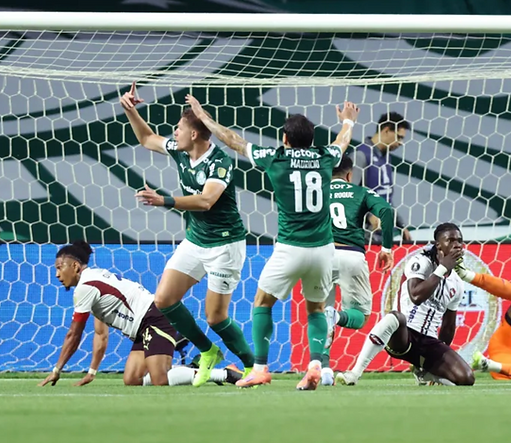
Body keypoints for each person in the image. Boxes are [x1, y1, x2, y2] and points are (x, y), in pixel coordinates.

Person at [186, 94, 357, 390]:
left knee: (262, 302)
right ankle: (316, 364)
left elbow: (233, 141)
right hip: (323, 249)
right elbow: (342, 142)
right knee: (316, 309)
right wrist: (348, 121)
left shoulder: (275, 157)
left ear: (285, 138)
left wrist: (204, 118)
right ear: (311, 139)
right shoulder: (326, 156)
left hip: (290, 247)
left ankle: (261, 368)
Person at [119, 82, 253, 387]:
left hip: (225, 244)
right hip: (196, 240)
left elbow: (206, 201)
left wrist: (163, 200)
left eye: (178, 127)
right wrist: (130, 111)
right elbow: (146, 138)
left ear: (194, 134)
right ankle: (208, 351)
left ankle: (251, 366)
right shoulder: (180, 151)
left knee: (215, 318)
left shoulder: (220, 162)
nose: (173, 132)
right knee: (164, 299)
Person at [335, 223, 473, 387]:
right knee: (395, 317)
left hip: (428, 342)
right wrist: (442, 268)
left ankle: (424, 371)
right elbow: (416, 295)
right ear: (438, 245)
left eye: (459, 240)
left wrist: (437, 363)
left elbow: (448, 327)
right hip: (402, 336)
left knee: (466, 378)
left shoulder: (457, 283)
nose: (456, 244)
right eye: (450, 240)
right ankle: (354, 374)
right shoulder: (420, 261)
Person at [38, 242, 193, 387]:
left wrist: (57, 370)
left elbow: (74, 334)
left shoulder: (86, 287)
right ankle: (178, 369)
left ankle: (214, 374)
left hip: (154, 317)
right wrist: (91, 373)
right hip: (143, 326)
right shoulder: (94, 281)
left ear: (75, 266)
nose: (57, 274)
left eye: (59, 267)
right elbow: (101, 334)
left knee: (160, 378)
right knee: (132, 378)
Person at [319, 154, 395, 385]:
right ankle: (337, 316)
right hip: (350, 254)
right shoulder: (360, 192)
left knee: (321, 314)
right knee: (360, 317)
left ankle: (323, 370)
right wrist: (387, 248)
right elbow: (387, 212)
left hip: (320, 256)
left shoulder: (316, 192)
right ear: (350, 175)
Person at [352, 112, 412, 246]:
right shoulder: (360, 155)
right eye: (399, 137)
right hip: (365, 236)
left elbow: (385, 198)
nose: (401, 143)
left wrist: (401, 224)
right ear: (386, 130)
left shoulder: (386, 158)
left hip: (384, 233)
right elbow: (349, 195)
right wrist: (369, 216)